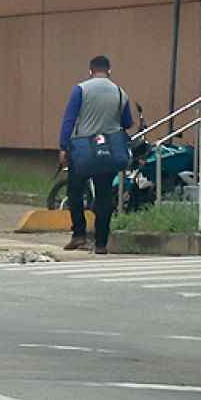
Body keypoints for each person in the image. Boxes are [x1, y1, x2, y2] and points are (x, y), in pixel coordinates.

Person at [59, 55, 134, 254]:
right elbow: (127, 122)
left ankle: (79, 235)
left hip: (82, 150)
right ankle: (101, 243)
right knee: (103, 196)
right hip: (107, 151)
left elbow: (69, 119)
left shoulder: (80, 89)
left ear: (90, 71)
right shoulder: (120, 92)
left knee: (75, 191)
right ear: (109, 71)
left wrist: (63, 147)